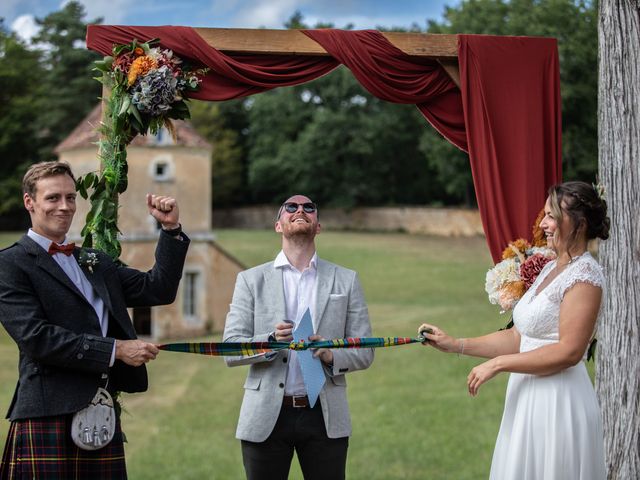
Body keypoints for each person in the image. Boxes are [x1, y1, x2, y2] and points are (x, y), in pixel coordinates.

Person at [0, 161, 189, 479]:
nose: (65, 206)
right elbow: (37, 338)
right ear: (29, 202)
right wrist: (116, 350)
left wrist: (170, 231)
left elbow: (157, 289)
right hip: (48, 412)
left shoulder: (93, 261)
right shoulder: (11, 263)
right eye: (53, 198)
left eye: (71, 197)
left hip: (99, 410)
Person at [419, 181, 609, 480]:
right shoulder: (550, 268)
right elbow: (520, 337)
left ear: (580, 223)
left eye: (552, 216)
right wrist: (455, 343)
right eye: (544, 214)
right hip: (526, 400)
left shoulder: (585, 276)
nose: (543, 224)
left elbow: (569, 351)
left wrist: (498, 364)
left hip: (558, 403)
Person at [223, 194, 374, 480]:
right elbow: (230, 348)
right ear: (278, 225)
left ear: (318, 226)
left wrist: (331, 354)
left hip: (325, 416)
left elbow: (365, 350)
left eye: (309, 208)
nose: (300, 210)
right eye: (290, 207)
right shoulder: (250, 280)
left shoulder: (347, 279)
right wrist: (269, 341)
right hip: (266, 413)